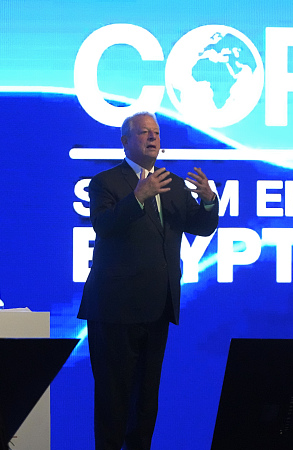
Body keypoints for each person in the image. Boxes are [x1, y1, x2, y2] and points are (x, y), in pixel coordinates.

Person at [78, 111, 219, 450]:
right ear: (125, 141)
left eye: (156, 132)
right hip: (114, 310)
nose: (153, 138)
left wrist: (208, 200)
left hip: (157, 307)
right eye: (143, 133)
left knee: (146, 403)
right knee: (114, 402)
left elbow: (200, 226)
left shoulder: (170, 185)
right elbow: (103, 225)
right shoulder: (106, 182)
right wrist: (139, 196)